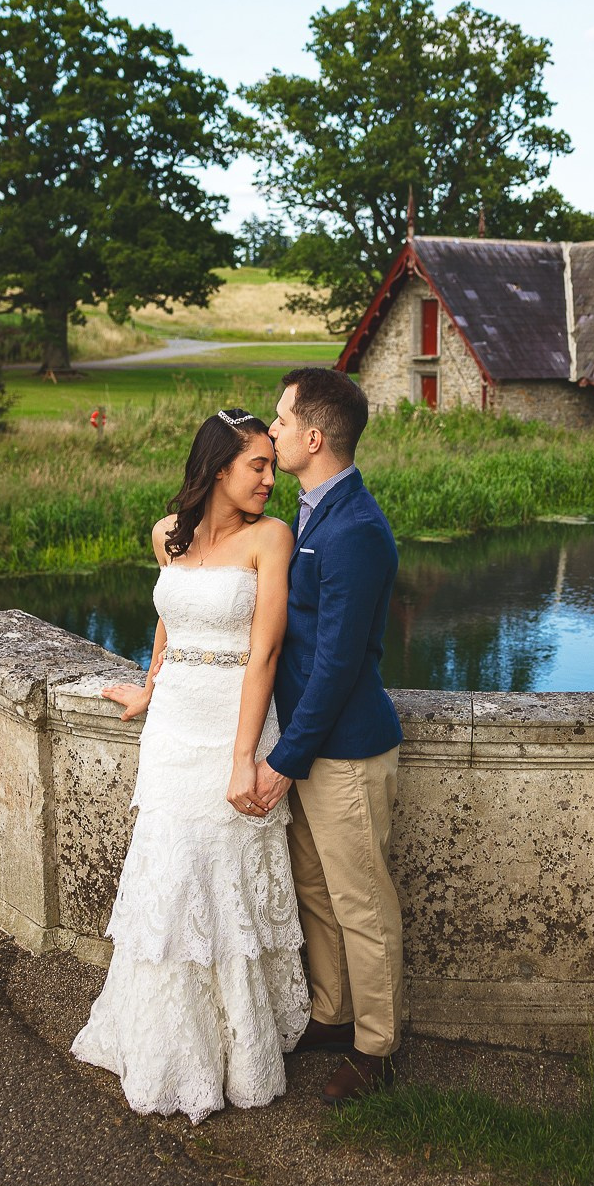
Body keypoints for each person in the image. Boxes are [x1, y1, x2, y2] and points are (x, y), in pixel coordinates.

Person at [72, 408, 309, 1123]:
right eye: (256, 466)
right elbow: (168, 618)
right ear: (215, 470)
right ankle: (167, 1040)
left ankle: (238, 1047)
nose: (271, 478)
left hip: (234, 725)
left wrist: (245, 758)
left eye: (273, 464)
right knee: (171, 878)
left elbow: (264, 653)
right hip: (173, 728)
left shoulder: (273, 539)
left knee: (226, 878)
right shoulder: (166, 534)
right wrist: (149, 684)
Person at [235, 367, 406, 1107]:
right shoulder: (309, 513)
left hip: (345, 750)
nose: (270, 433)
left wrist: (283, 759)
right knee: (317, 892)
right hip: (308, 743)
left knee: (363, 902)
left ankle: (377, 1047)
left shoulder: (357, 529)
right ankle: (333, 1015)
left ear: (313, 436)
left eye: (278, 421)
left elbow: (336, 664)